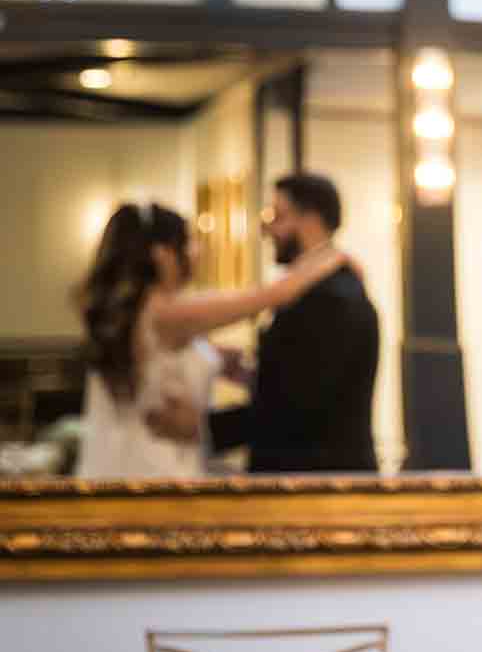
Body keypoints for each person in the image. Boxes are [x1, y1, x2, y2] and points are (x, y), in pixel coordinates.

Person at [72, 201, 350, 478]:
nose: (198, 251)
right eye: (190, 242)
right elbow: (271, 295)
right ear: (162, 255)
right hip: (150, 466)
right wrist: (331, 258)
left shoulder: (153, 313)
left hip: (173, 458)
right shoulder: (164, 314)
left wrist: (231, 366)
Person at [147, 172, 379, 474]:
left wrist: (205, 428)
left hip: (317, 480)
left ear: (309, 220)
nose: (265, 227)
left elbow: (301, 407)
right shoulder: (312, 289)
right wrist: (252, 374)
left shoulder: (331, 296)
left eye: (277, 216)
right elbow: (296, 381)